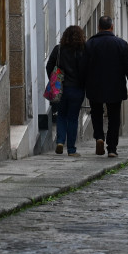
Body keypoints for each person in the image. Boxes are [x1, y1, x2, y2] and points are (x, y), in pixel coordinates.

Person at [85, 15, 128, 158]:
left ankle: (99, 137)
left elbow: (83, 66)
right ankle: (112, 148)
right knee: (114, 117)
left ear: (98, 27)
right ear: (112, 27)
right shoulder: (121, 44)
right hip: (115, 86)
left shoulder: (89, 44)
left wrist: (84, 83)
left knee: (96, 113)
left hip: (94, 86)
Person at [45, 25, 88, 157]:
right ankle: (71, 149)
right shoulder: (83, 51)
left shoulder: (58, 50)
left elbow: (49, 66)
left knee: (61, 116)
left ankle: (59, 141)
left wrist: (54, 80)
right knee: (73, 118)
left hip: (61, 88)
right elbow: (87, 69)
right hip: (77, 89)